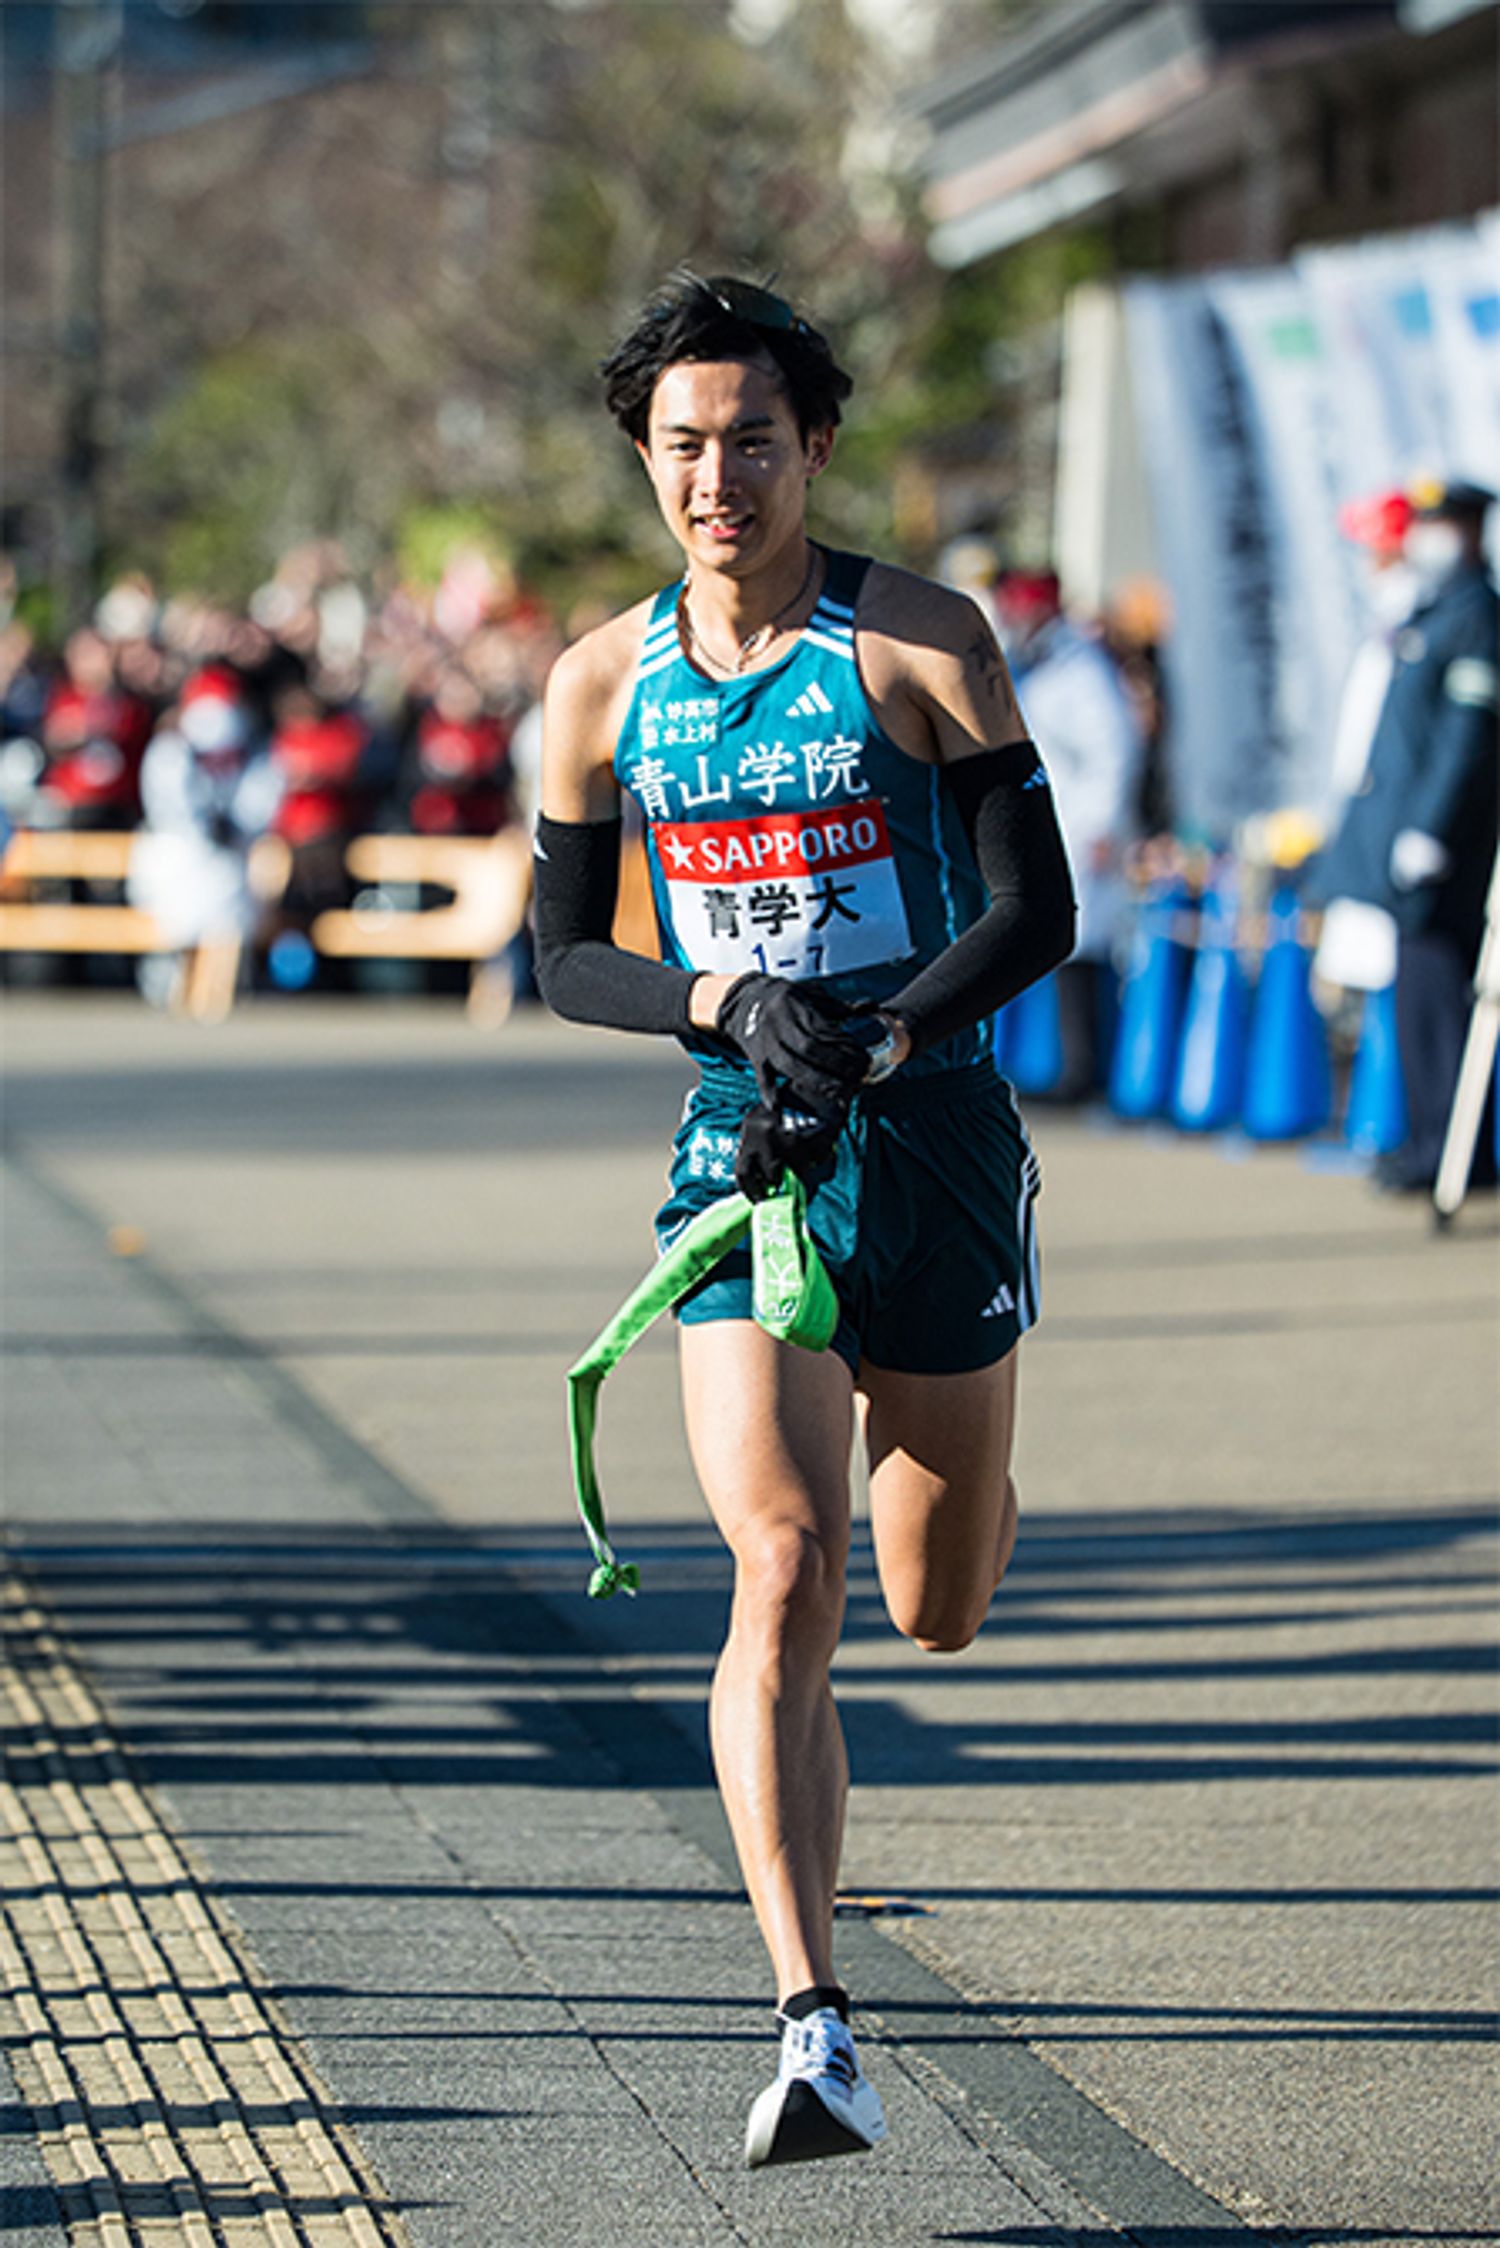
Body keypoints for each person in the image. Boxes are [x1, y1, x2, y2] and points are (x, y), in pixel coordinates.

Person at [533, 273, 1075, 2168]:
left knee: (934, 1603)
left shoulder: (916, 641)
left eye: (749, 440)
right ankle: (812, 2018)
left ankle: (985, 1457)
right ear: (644, 457)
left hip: (930, 1140)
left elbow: (1041, 910)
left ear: (812, 446)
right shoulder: (599, 681)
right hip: (744, 1147)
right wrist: (724, 1007)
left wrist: (889, 1022)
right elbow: (560, 956)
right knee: (783, 1559)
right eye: (681, 445)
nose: (715, 478)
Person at [1311, 478, 1498, 1191]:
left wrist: (1431, 830)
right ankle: (1433, 1142)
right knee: (1419, 998)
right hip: (1404, 843)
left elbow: (1465, 739)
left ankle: (1449, 1152)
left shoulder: (1475, 615)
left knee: (1439, 1000)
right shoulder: (1437, 611)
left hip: (1447, 850)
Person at [991, 566, 1142, 1101]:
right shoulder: (1033, 665)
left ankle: (1085, 1070)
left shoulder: (1082, 669)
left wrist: (1102, 823)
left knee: (1081, 952)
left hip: (1082, 826)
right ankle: (1064, 1063)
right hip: (1052, 820)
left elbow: (1113, 750)